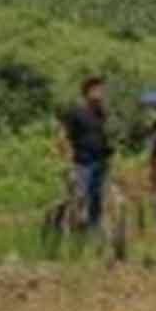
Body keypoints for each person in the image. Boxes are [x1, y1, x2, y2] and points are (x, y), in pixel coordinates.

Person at [60, 77, 114, 230]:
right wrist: (67, 162)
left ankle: (93, 229)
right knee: (80, 196)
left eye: (102, 90)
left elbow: (105, 134)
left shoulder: (101, 113)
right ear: (87, 92)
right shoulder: (75, 112)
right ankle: (71, 225)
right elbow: (63, 137)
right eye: (97, 90)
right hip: (82, 162)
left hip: (100, 161)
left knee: (96, 197)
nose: (101, 93)